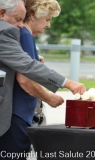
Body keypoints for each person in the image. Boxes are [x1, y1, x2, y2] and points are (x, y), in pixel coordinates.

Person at [0, 0, 86, 158]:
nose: (49, 25)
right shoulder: (16, 33)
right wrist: (61, 88)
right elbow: (27, 72)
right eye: (47, 19)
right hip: (16, 114)